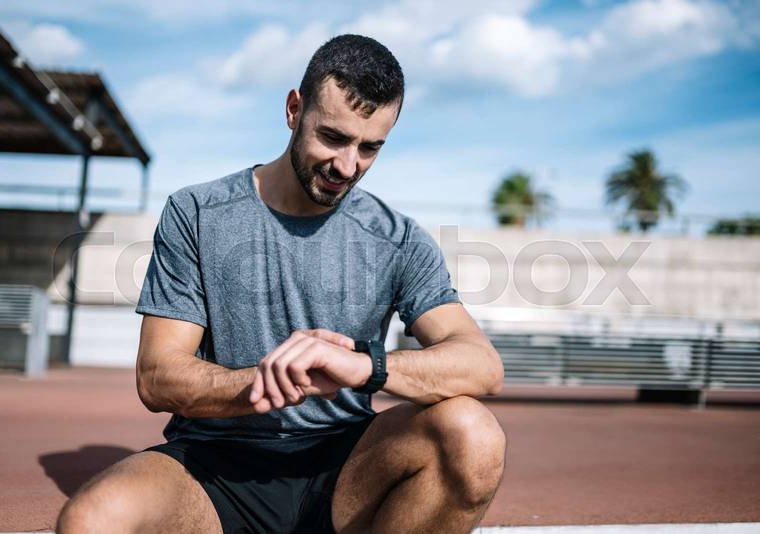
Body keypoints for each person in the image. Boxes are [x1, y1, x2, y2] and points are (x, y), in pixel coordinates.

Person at [56, 34, 506, 534]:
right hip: (212, 467)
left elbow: (481, 365)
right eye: (333, 137)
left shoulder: (397, 239)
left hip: (344, 471)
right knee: (91, 520)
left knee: (472, 433)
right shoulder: (197, 213)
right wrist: (264, 382)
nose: (347, 166)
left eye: (370, 147)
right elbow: (157, 376)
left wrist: (362, 366)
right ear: (295, 109)